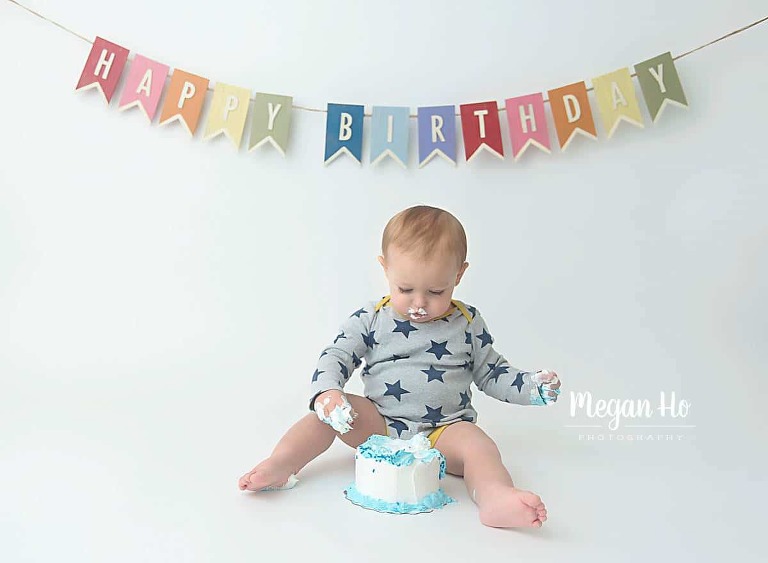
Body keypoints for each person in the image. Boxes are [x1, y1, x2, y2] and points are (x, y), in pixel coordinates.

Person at [238, 205, 561, 528]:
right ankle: (281, 464)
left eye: (437, 291)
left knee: (479, 445)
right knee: (324, 418)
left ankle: (494, 496)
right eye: (405, 289)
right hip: (379, 424)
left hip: (443, 431)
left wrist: (531, 387)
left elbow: (492, 372)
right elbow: (337, 354)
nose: (419, 303)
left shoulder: (467, 322)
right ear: (385, 268)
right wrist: (328, 393)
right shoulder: (373, 317)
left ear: (458, 275)